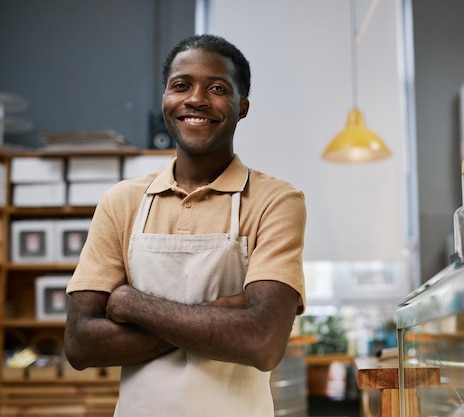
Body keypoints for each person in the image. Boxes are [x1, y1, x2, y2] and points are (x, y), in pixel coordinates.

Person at [64, 34, 306, 417]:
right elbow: (80, 345)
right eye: (181, 86)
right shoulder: (122, 202)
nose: (195, 99)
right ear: (165, 100)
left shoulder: (275, 201)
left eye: (217, 88)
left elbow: (262, 343)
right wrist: (225, 315)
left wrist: (131, 303)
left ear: (242, 107)